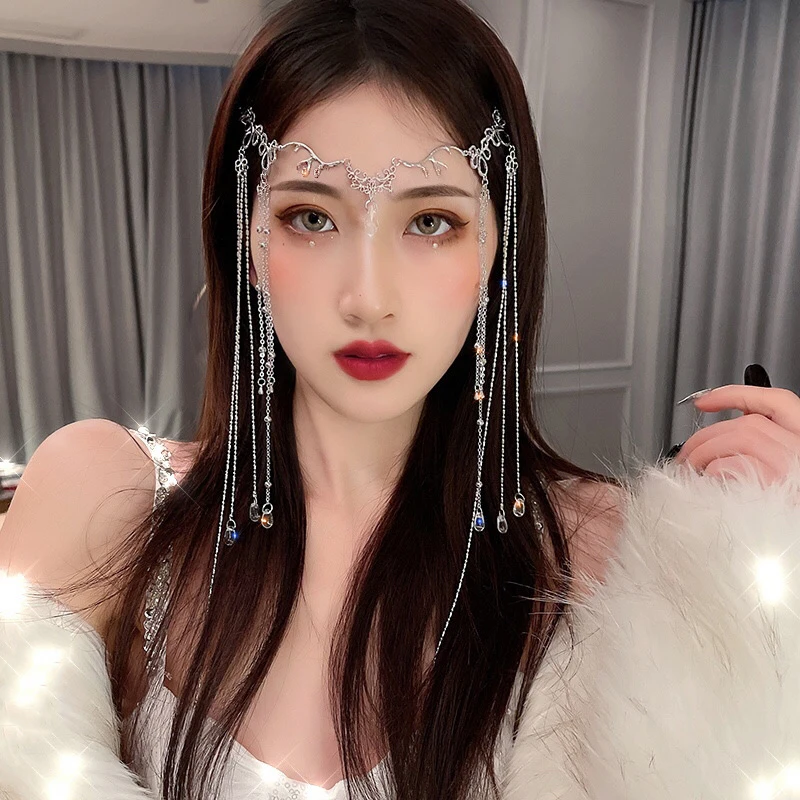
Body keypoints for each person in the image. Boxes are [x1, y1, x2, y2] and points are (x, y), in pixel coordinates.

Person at [1, 1, 799, 798]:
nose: (369, 297)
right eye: (311, 216)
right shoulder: (105, 498)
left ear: (498, 246)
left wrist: (767, 566)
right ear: (246, 241)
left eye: (431, 221)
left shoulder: (597, 548)